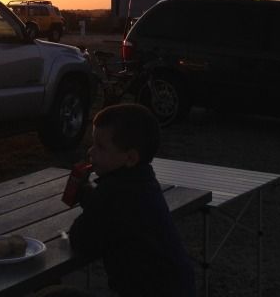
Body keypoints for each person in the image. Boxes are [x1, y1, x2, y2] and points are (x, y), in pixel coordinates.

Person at [68, 104, 196, 297]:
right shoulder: (144, 181)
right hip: (178, 285)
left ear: (130, 158)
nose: (90, 152)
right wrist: (89, 197)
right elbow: (113, 214)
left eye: (100, 147)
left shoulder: (113, 192)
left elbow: (81, 239)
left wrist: (88, 197)